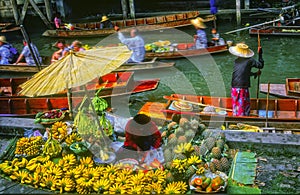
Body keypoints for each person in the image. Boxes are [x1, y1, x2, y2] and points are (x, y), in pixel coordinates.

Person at [229, 43, 264, 116]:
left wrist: (254, 74)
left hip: (234, 86)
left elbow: (244, 72)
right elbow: (260, 65)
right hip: (241, 87)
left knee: (236, 104)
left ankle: (236, 116)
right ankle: (242, 117)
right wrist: (260, 54)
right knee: (243, 105)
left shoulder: (236, 61)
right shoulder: (249, 60)